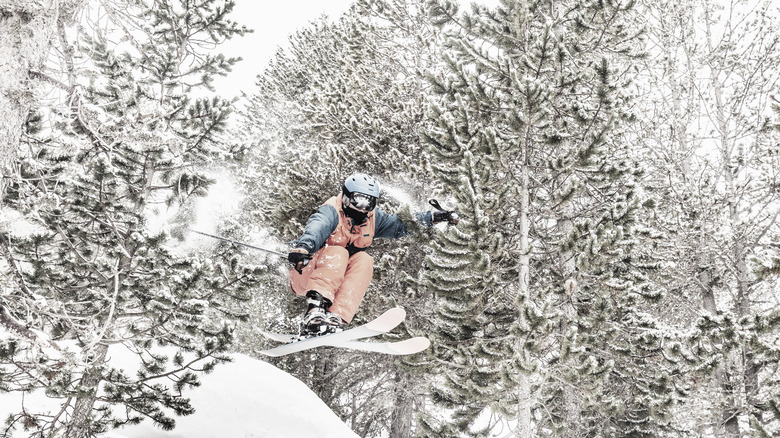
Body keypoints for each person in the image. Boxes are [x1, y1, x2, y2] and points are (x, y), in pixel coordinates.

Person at [287, 173, 459, 336]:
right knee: (338, 251)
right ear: (346, 197)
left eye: (368, 203)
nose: (362, 208)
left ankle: (334, 316)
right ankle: (314, 311)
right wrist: (303, 247)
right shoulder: (331, 211)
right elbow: (317, 227)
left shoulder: (372, 218)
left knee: (364, 260)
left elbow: (400, 225)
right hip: (306, 273)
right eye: (358, 201)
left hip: (335, 283)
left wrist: (434, 217)